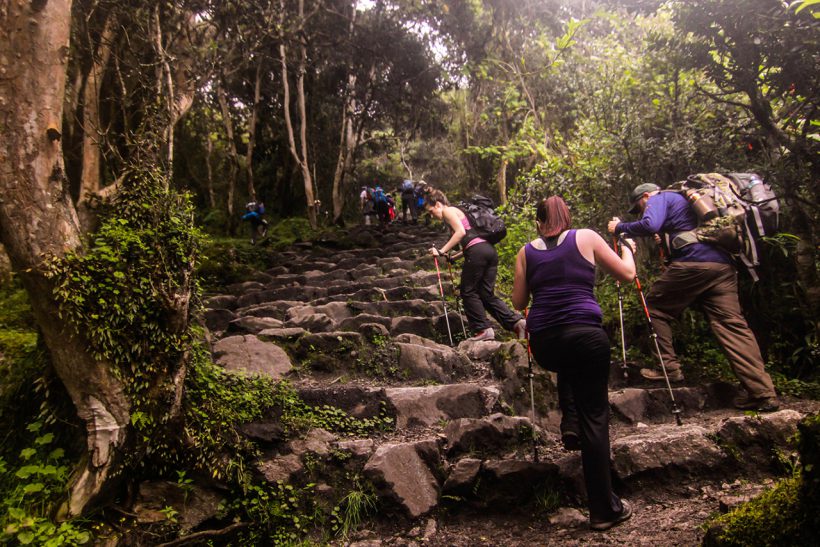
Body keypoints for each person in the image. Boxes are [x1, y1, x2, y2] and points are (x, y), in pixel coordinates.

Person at [512, 196, 636, 531]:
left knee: (569, 359)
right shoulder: (587, 237)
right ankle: (603, 509)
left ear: (539, 223)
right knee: (595, 416)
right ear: (567, 217)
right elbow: (627, 274)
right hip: (585, 335)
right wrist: (630, 251)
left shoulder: (525, 252)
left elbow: (519, 301)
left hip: (546, 344)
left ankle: (569, 419)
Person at [608, 183, 779, 412]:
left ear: (646, 196)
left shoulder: (660, 198)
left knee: (655, 307)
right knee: (732, 325)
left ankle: (668, 369)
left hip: (694, 264)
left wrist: (620, 226)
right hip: (723, 266)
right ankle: (762, 392)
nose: (640, 212)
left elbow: (650, 224)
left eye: (639, 207)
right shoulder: (687, 203)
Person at [424, 187, 525, 341]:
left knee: (468, 291)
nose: (432, 216)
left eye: (431, 211)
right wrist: (453, 257)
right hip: (488, 251)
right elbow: (471, 241)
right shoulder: (461, 211)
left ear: (438, 204)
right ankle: (517, 323)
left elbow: (461, 233)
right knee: (486, 294)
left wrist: (440, 251)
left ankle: (483, 330)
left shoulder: (448, 211)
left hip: (477, 252)